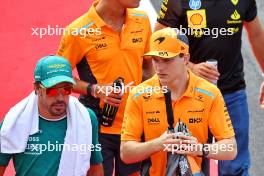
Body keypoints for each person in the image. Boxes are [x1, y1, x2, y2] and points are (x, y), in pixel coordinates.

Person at [155, 0, 264, 175]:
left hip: (232, 94)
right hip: (190, 95)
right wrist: (190, 67)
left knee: (235, 166)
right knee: (189, 164)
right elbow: (157, 44)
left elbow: (256, 34)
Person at [120, 27, 237, 176]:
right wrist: (158, 144)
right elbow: (126, 153)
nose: (159, 67)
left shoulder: (210, 94)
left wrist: (200, 149)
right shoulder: (139, 95)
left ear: (186, 59)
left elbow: (230, 148)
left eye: (167, 60)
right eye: (155, 60)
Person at [57, 0, 153, 175]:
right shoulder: (78, 31)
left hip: (133, 126)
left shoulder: (142, 19)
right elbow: (58, 77)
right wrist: (94, 89)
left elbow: (148, 67)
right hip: (97, 128)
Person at [0, 55, 103, 176]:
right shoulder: (14, 121)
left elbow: (95, 167)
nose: (60, 98)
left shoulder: (86, 118)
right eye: (52, 90)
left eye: (66, 90)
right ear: (37, 88)